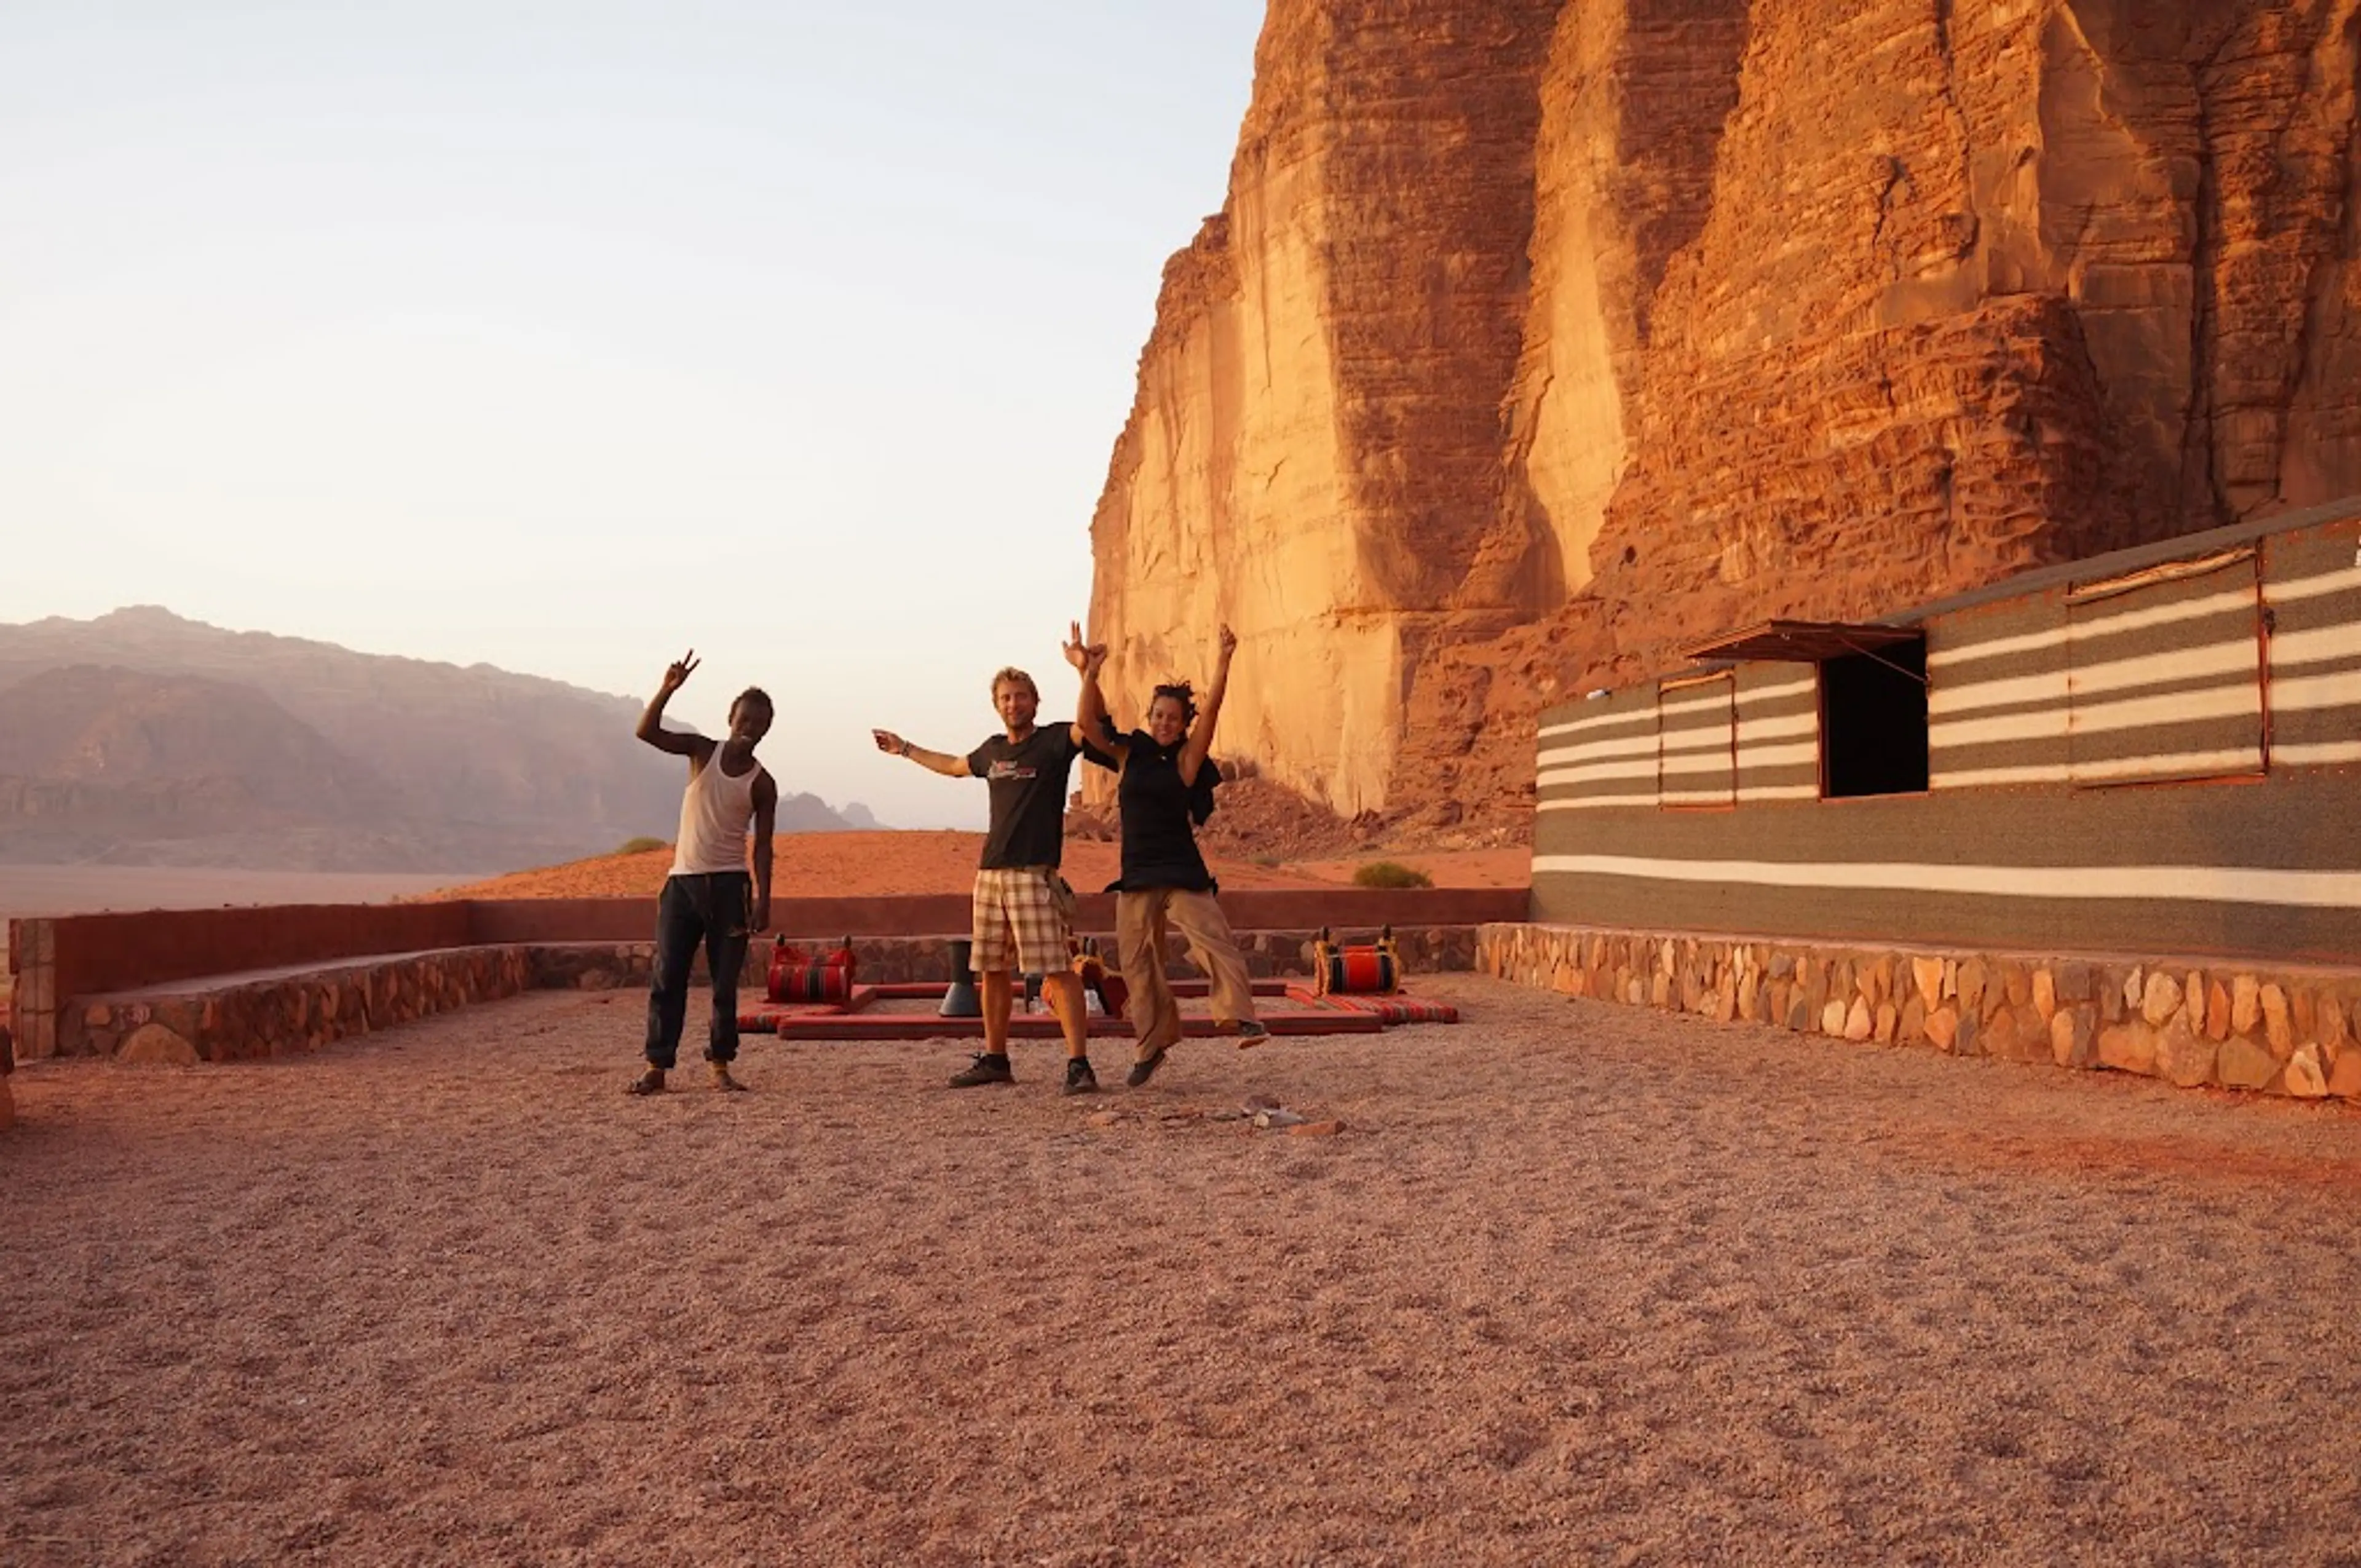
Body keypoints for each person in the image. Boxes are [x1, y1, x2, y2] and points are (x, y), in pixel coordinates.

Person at [871, 629, 1098, 1093]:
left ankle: (1079, 1065)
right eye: (1005, 698)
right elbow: (955, 766)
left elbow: (1088, 728)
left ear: (1036, 701)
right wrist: (906, 749)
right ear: (996, 705)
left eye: (1020, 697)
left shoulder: (1054, 742)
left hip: (1034, 877)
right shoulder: (992, 751)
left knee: (1056, 967)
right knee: (992, 970)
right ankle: (997, 1058)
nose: (1013, 704)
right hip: (990, 876)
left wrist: (1087, 674)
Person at [1076, 624, 1265, 1087]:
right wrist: (1089, 674)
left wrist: (1224, 661)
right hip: (1137, 875)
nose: (1164, 723)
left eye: (1173, 719)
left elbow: (1214, 711)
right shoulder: (1129, 755)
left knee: (1212, 938)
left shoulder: (1186, 763)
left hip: (1181, 871)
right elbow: (1088, 729)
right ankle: (1152, 1045)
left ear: (1182, 725)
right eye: (1158, 715)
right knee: (1137, 962)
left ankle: (1239, 1017)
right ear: (1150, 716)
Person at [627, 650, 778, 1095]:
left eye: (759, 724)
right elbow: (646, 731)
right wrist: (667, 689)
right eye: (744, 719)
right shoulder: (700, 751)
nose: (749, 729)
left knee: (725, 984)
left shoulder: (762, 783)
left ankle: (720, 1065)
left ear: (767, 730)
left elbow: (764, 846)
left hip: (730, 887)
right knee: (668, 975)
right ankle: (657, 1066)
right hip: (683, 884)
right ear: (731, 718)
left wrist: (765, 899)